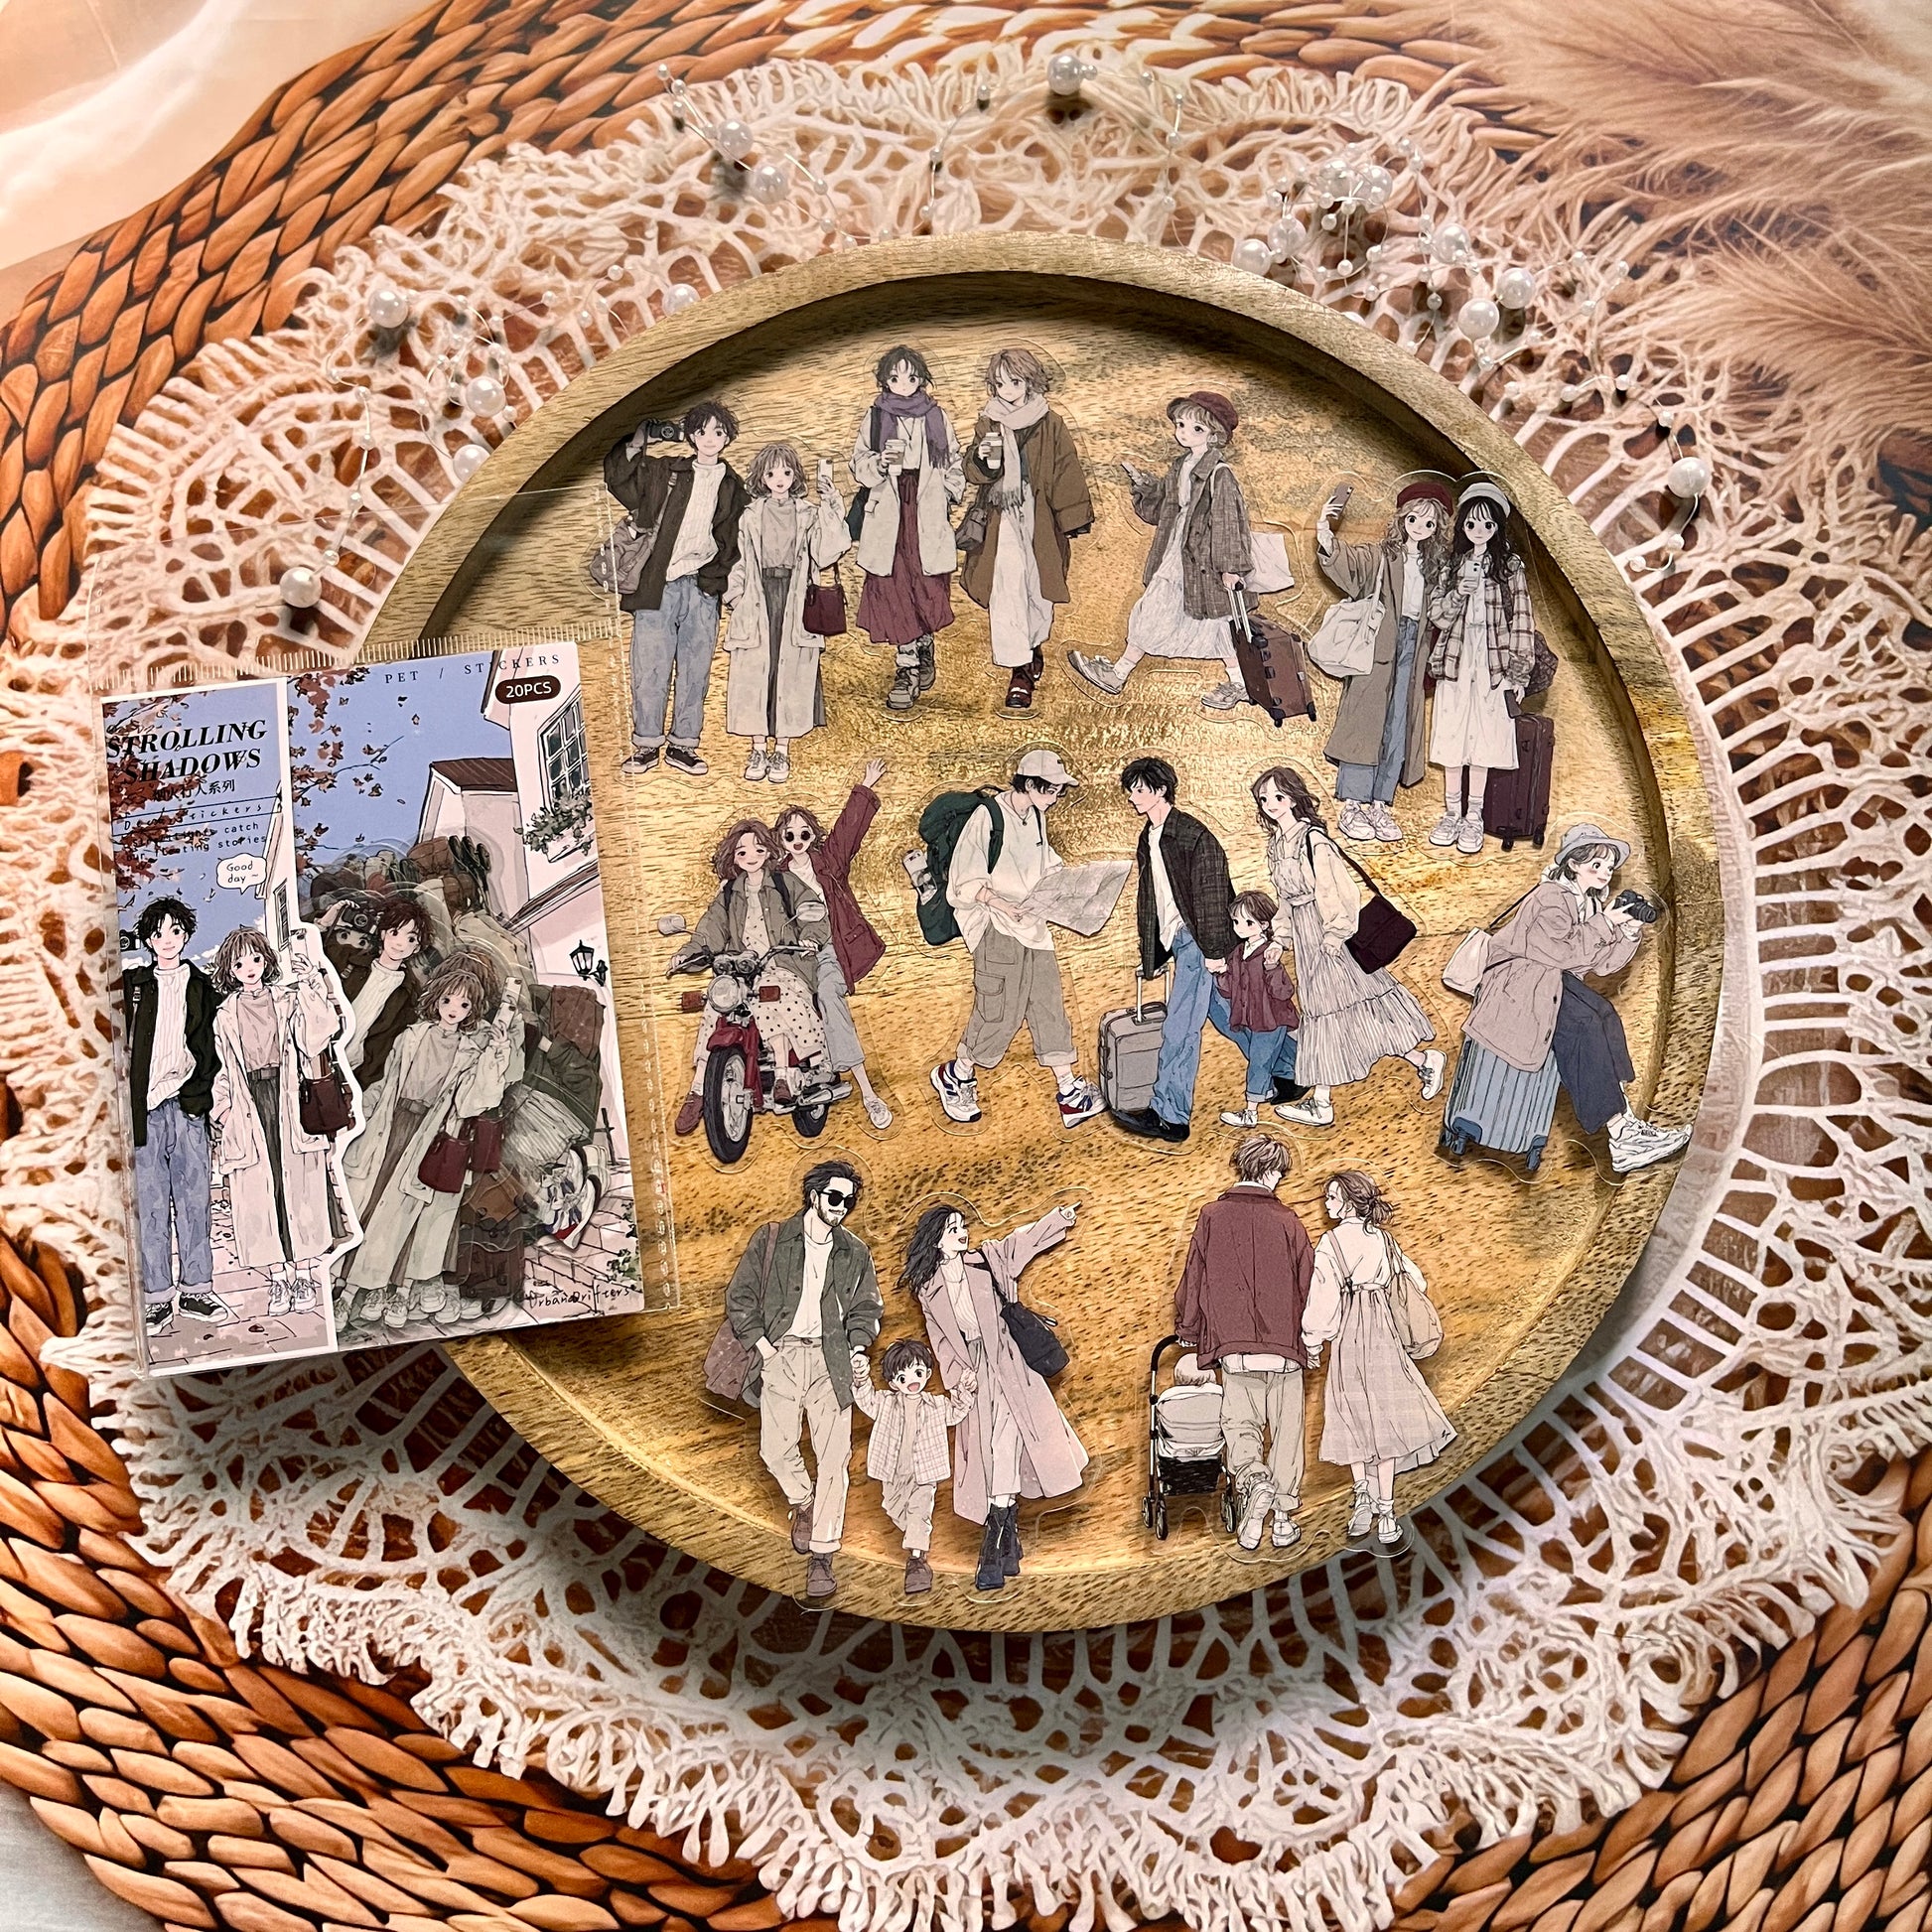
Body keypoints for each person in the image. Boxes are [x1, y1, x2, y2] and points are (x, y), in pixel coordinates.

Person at [1448, 823, 1693, 1175]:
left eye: (1609, 867)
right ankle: (1621, 1136)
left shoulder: (1588, 903)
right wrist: (1605, 923)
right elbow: (1562, 952)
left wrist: (1627, 932)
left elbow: (1600, 965)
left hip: (1550, 984)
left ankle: (1625, 1123)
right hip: (1519, 986)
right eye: (1596, 865)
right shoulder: (1550, 897)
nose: (1605, 873)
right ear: (1574, 864)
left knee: (1604, 1014)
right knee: (1586, 1026)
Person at [901, 1200, 1087, 1592]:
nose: (962, 1233)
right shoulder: (928, 1289)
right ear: (936, 1240)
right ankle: (1009, 1546)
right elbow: (941, 1343)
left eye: (962, 1226)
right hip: (974, 1376)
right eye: (953, 1229)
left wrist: (1059, 1218)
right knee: (986, 1454)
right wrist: (958, 1379)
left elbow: (1022, 1241)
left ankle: (990, 1552)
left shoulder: (986, 1260)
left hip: (1011, 1368)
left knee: (1003, 1447)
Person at [1251, 764, 1444, 1129]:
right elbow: (1286, 899)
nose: (1271, 804)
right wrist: (1281, 939)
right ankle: (1423, 1061)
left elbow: (1339, 889)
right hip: (1307, 938)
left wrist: (1335, 933)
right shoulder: (1276, 845)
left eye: (1278, 796)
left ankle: (1322, 1102)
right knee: (1342, 1010)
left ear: (1293, 798)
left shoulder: (1313, 840)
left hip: (1328, 935)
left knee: (1335, 1009)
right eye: (1264, 799)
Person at [725, 1162, 883, 1603]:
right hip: (783, 1355)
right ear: (814, 1196)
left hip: (833, 1361)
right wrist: (765, 1349)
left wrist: (857, 1349)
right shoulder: (773, 1238)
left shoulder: (855, 1251)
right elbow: (740, 1296)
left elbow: (867, 1308)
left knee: (834, 1460)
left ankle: (822, 1558)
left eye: (849, 1200)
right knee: (775, 1450)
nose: (843, 1207)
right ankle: (806, 1503)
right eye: (835, 1197)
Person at [340, 957, 523, 1329]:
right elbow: (386, 1084)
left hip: (429, 1136)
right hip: (390, 1128)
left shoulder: (471, 1052)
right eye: (448, 1000)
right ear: (436, 1000)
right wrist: (360, 1113)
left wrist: (497, 1051)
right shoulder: (411, 1036)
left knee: (401, 1218)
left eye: (464, 1004)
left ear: (472, 1010)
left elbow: (476, 1099)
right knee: (367, 1208)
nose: (454, 1009)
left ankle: (378, 1289)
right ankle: (345, 1292)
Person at [928, 749, 1105, 1132]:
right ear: (1029, 785)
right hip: (995, 926)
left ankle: (1068, 1091)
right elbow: (963, 881)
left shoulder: (1036, 815)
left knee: (1048, 1005)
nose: (1055, 798)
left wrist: (1072, 885)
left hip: (1032, 925)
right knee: (1000, 1012)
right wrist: (1003, 905)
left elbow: (1044, 863)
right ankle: (956, 1075)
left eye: (1058, 791)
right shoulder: (988, 817)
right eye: (1050, 790)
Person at [1173, 1133, 1315, 1550]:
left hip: (1234, 1349)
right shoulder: (1289, 1221)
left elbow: (1194, 1277)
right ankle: (1283, 1518)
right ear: (1270, 1172)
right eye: (1279, 1173)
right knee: (1287, 1433)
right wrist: (1313, 1339)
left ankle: (1253, 1479)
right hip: (1285, 1349)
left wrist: (1189, 1331)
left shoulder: (1211, 1216)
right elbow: (1310, 1283)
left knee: (1240, 1425)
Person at [1068, 391, 1253, 712]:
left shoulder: (1220, 474)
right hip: (1177, 548)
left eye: (1196, 428)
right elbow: (1163, 507)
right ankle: (1121, 673)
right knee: (1183, 613)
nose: (1184, 433)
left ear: (1214, 434)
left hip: (1203, 559)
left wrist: (1230, 567)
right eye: (1180, 425)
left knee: (1213, 622)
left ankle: (1238, 683)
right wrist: (1143, 485)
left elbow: (1229, 521)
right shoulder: (1181, 465)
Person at [1302, 1171, 1454, 1547]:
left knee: (1352, 1413)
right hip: (1383, 1331)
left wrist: (1313, 1339)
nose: (1327, 1204)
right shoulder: (1383, 1239)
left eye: (1332, 1197)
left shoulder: (1332, 1243)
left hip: (1351, 1334)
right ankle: (1386, 1512)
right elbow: (1416, 1280)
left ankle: (1364, 1499)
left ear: (1349, 1202)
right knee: (1386, 1416)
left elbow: (1323, 1299)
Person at [207, 928, 350, 1319]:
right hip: (248, 1106)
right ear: (230, 970)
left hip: (288, 1101)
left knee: (298, 1193)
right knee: (259, 1198)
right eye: (239, 963)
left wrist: (311, 982)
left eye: (255, 959)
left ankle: (303, 1275)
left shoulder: (287, 999)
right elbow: (221, 1070)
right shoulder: (225, 1015)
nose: (249, 968)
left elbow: (317, 1037)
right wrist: (223, 1111)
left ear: (266, 960)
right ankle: (278, 1279)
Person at [604, 400, 750, 778]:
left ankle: (683, 745)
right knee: (649, 667)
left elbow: (736, 540)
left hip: (703, 586)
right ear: (691, 435)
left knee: (695, 671)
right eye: (702, 431)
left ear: (728, 437)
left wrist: (717, 582)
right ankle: (646, 745)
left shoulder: (733, 486)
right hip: (659, 584)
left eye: (718, 432)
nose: (710, 439)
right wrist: (640, 439)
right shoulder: (666, 470)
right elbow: (619, 481)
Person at [666, 818, 833, 1138]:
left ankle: (783, 1073)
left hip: (783, 964)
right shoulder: (730, 893)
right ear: (734, 857)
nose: (751, 856)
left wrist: (810, 937)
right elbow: (711, 929)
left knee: (770, 995)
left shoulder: (785, 882)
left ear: (768, 851)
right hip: (741, 969)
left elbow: (814, 911)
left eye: (757, 849)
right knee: (714, 1006)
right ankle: (699, 1089)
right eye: (742, 852)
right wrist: (689, 952)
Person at [1312, 479, 1453, 843]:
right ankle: (1353, 804)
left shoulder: (1437, 567)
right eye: (1414, 519)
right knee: (1364, 720)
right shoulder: (1382, 555)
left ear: (1437, 528)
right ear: (1402, 518)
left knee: (1399, 724)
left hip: (1415, 648)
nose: (1419, 527)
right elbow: (1349, 564)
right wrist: (1325, 530)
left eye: (1429, 522)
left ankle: (1380, 803)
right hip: (1376, 644)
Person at [957, 345, 1094, 712]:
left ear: (1030, 382)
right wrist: (983, 461)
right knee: (1007, 587)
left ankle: (1033, 647)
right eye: (1000, 384)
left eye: (1014, 382)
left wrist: (1073, 517)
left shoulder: (1050, 422)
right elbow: (973, 472)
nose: (1007, 391)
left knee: (1038, 589)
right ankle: (1019, 671)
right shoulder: (989, 421)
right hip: (1001, 519)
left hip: (1040, 519)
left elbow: (1066, 467)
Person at [1109, 756, 1236, 1146]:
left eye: (1140, 790)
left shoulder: (1192, 835)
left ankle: (1170, 1116)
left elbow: (1213, 896)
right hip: (1181, 942)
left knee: (1180, 1029)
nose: (1133, 797)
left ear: (1161, 790)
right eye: (1131, 791)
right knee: (1230, 1017)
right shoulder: (1149, 837)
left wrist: (1213, 950)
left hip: (1200, 943)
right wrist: (1153, 953)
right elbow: (1152, 900)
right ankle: (1287, 1070)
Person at [723, 441, 852, 784]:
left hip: (796, 599)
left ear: (795, 475)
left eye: (786, 471)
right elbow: (738, 559)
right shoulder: (750, 515)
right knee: (755, 674)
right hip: (758, 597)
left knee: (791, 675)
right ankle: (757, 748)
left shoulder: (808, 513)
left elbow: (829, 551)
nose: (779, 479)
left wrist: (830, 501)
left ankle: (782, 749)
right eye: (771, 473)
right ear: (761, 478)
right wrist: (735, 596)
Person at [774, 760, 895, 1130]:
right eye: (790, 835)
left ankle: (868, 1093)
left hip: (832, 949)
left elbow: (848, 829)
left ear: (813, 835)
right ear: (780, 839)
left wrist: (865, 785)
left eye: (804, 833)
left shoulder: (828, 862)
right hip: (792, 958)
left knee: (828, 995)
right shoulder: (775, 877)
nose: (797, 841)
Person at [123, 897, 224, 1335]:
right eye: (159, 932)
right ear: (148, 939)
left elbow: (214, 1046)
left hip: (187, 1105)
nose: (168, 939)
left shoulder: (201, 986)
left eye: (176, 931)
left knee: (194, 1201)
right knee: (150, 1206)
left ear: (186, 936)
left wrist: (198, 1097)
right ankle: (157, 1297)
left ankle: (197, 1290)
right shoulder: (133, 984)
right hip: (142, 1111)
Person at [1426, 479, 1538, 856]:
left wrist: (1518, 672)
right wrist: (1459, 592)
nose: (1479, 530)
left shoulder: (1509, 567)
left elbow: (1522, 619)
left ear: (1497, 528)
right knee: (1453, 735)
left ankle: (1474, 815)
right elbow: (1438, 615)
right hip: (1456, 660)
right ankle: (1451, 813)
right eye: (1471, 523)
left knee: (1485, 737)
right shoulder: (1452, 565)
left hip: (1495, 662)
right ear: (1462, 526)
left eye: (1487, 524)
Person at [851, 345, 963, 713]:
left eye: (911, 377)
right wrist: (879, 463)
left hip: (925, 510)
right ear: (885, 379)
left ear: (921, 379)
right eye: (896, 377)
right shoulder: (876, 416)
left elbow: (954, 461)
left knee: (927, 584)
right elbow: (859, 462)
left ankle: (923, 642)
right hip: (890, 510)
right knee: (895, 586)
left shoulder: (936, 415)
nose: (903, 384)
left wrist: (947, 493)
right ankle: (907, 666)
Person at [851, 1338, 975, 1596]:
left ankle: (917, 1561)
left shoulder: (937, 1405)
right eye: (902, 1377)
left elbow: (957, 1412)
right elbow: (865, 1399)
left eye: (918, 1372)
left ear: (927, 1373)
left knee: (920, 1512)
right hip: (892, 1471)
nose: (912, 1380)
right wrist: (861, 1377)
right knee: (893, 1508)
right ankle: (915, 1537)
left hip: (925, 1473)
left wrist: (964, 1389)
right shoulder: (885, 1402)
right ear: (893, 1382)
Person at [321, 895, 435, 1086]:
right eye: (394, 932)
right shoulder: (351, 960)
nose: (400, 943)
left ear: (417, 947)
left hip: (349, 1069)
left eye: (411, 938)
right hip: (319, 1048)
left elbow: (384, 1044)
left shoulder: (408, 994)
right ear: (382, 934)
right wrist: (326, 922)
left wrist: (361, 1082)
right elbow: (313, 950)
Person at [1210, 892, 1302, 1129]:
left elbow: (1284, 991)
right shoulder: (1239, 952)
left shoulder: (1269, 952)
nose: (1239, 928)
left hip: (1271, 1019)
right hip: (1251, 1017)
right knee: (1273, 1054)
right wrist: (1222, 972)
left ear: (1264, 924)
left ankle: (1250, 1113)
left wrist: (1272, 968)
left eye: (1248, 923)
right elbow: (1231, 987)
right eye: (1236, 922)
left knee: (1260, 1061)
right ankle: (1290, 1079)